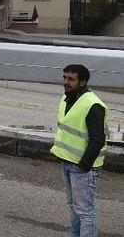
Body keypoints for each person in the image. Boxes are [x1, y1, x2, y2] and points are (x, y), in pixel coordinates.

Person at [51, 64, 107, 237]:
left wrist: (84, 166)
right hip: (68, 162)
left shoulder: (93, 105)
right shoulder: (67, 97)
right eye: (64, 77)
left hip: (82, 167)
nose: (66, 82)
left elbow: (98, 139)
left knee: (85, 211)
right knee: (74, 207)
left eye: (71, 79)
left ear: (82, 82)